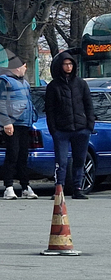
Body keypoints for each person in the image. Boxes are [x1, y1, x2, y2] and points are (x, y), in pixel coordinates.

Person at [45, 51, 94, 199]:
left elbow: (89, 105)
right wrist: (53, 129)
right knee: (61, 161)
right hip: (61, 130)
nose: (68, 66)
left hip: (81, 129)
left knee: (79, 160)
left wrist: (89, 126)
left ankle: (78, 189)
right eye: (66, 64)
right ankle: (59, 188)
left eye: (71, 63)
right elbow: (50, 109)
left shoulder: (81, 84)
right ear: (60, 66)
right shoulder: (53, 86)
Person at [0, 55, 38, 199]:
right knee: (12, 155)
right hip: (12, 124)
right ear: (18, 67)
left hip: (24, 124)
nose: (26, 69)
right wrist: (6, 122)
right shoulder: (3, 81)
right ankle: (8, 187)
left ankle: (25, 186)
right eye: (25, 66)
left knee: (23, 156)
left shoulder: (24, 82)